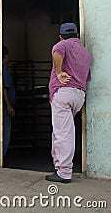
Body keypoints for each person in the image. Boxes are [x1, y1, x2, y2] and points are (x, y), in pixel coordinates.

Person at [45, 22, 92, 183]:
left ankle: (64, 172)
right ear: (77, 35)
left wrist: (58, 73)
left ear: (61, 36)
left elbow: (57, 52)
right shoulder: (85, 53)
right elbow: (86, 77)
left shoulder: (62, 44)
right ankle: (59, 165)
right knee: (63, 131)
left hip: (63, 93)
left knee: (63, 133)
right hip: (79, 95)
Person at [2, 46, 16, 157]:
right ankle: (2, 155)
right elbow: (4, 89)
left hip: (4, 106)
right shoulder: (4, 71)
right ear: (5, 56)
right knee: (5, 133)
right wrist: (9, 106)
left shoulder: (1, 69)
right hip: (5, 107)